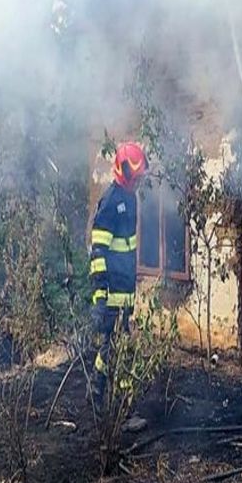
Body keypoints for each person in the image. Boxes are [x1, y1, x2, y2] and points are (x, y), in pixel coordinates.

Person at [88, 140, 147, 410]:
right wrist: (101, 296)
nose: (137, 182)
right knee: (121, 348)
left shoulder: (130, 197)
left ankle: (96, 390)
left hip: (125, 289)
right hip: (111, 290)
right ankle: (125, 408)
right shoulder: (111, 201)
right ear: (122, 171)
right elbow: (98, 251)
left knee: (111, 346)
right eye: (134, 178)